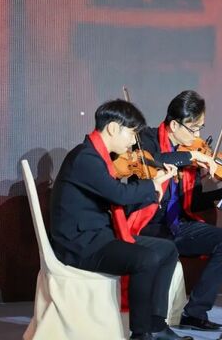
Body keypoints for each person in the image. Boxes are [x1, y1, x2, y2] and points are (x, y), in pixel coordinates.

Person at [50, 99, 192, 340]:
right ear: (113, 128)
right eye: (132, 133)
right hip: (80, 243)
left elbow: (119, 198)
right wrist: (152, 184)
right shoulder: (85, 158)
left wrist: (156, 183)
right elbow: (119, 195)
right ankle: (141, 333)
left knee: (167, 250)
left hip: (98, 235)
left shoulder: (96, 156)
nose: (134, 141)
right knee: (145, 258)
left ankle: (156, 325)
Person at [138, 90, 222, 331]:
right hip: (150, 225)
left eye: (200, 128)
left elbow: (192, 204)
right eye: (193, 129)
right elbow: (154, 159)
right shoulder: (147, 138)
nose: (198, 136)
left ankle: (195, 312)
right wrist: (191, 155)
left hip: (178, 226)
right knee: (165, 246)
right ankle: (154, 321)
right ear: (174, 125)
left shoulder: (193, 156)